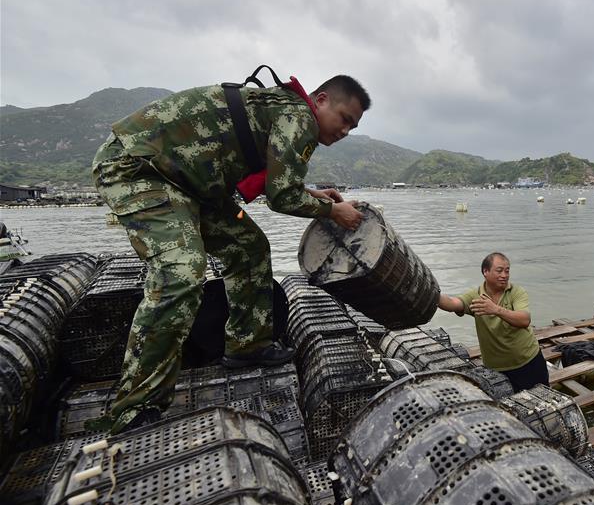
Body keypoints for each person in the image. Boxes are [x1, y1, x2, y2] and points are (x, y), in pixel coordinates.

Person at [89, 72, 370, 434]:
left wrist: (315, 196)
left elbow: (279, 185)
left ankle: (247, 345)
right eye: (344, 119)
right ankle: (133, 410)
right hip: (140, 168)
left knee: (249, 247)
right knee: (181, 273)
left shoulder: (286, 112)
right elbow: (283, 196)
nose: (345, 131)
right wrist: (334, 211)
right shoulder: (299, 117)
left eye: (353, 127)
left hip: (193, 187)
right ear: (319, 101)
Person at [437, 252, 548, 391]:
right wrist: (434, 294)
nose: (504, 275)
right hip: (496, 369)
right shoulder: (476, 295)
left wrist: (496, 309)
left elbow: (524, 319)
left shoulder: (516, 292)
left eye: (507, 271)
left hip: (528, 362)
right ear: (485, 271)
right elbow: (453, 304)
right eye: (499, 270)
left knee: (542, 401)